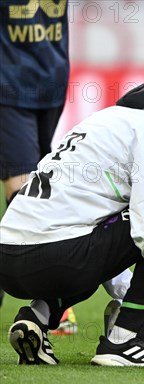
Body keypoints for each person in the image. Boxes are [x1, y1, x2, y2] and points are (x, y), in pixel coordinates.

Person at [0, 67, 144, 367]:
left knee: (92, 247)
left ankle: (37, 316)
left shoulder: (109, 118)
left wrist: (131, 292)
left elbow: (104, 242)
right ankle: (123, 339)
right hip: (55, 256)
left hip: (10, 261)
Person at [0, 0, 70, 310]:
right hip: (9, 87)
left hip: (52, 85)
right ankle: (49, 299)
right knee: (22, 190)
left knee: (42, 193)